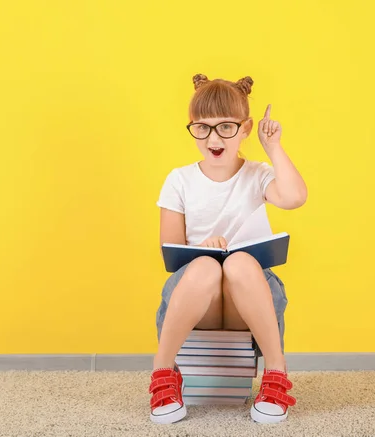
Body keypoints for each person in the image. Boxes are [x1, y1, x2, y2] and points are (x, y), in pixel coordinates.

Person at [149, 73, 307, 425]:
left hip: (246, 297)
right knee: (206, 267)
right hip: (197, 296)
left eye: (225, 127)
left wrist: (274, 148)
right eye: (202, 128)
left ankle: (276, 375)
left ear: (246, 127)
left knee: (240, 264)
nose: (213, 138)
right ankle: (162, 373)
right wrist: (202, 250)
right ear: (191, 128)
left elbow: (295, 197)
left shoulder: (258, 173)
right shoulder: (180, 180)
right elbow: (169, 253)